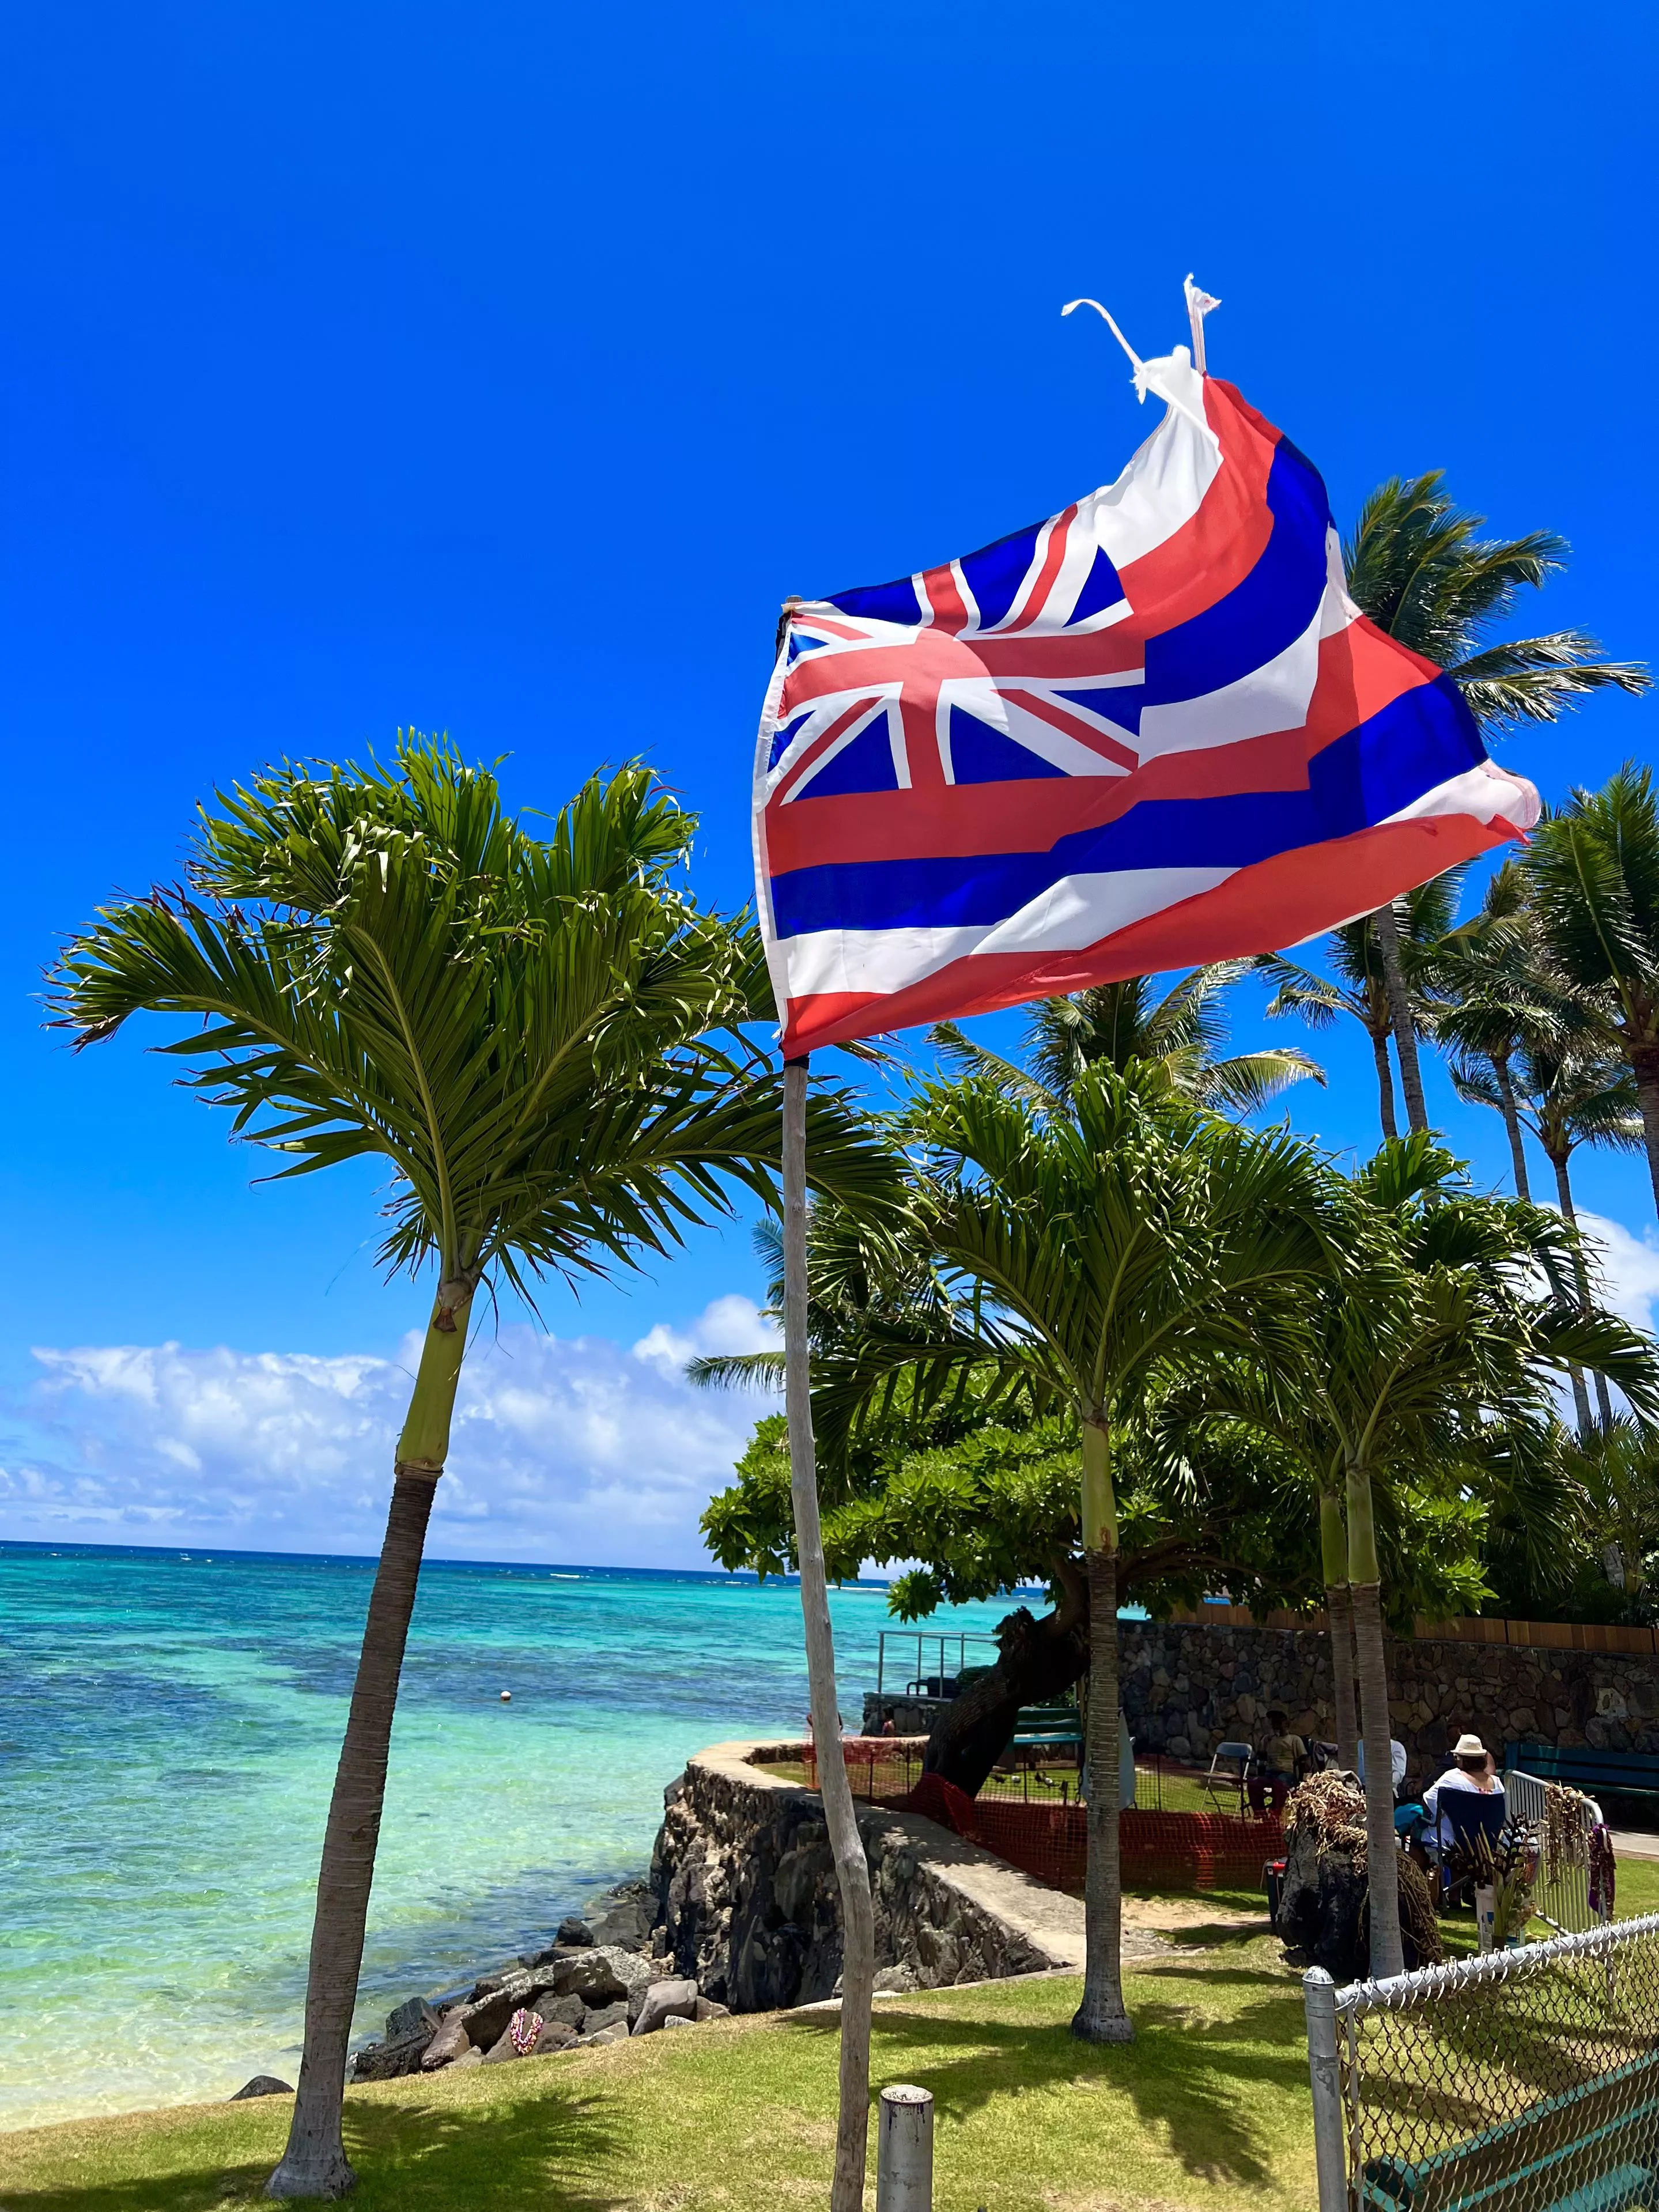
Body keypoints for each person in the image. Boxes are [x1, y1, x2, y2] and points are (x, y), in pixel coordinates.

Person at [1422, 1732, 1504, 1851]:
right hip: (1489, 1847)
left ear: (1461, 1758)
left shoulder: (1452, 1777)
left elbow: (1429, 1802)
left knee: (1418, 1832)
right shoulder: (1498, 1784)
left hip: (1456, 1844)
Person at [1249, 1708, 1306, 1813]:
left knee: (1279, 1783)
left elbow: (1304, 1760)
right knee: (1253, 1783)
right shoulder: (1268, 1739)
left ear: (1286, 1723)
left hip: (1287, 1774)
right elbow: (1260, 1757)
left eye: (1279, 1719)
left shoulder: (1294, 1739)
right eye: (1273, 1719)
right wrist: (1266, 1743)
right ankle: (1260, 1814)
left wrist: (1301, 1780)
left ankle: (1275, 1813)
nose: (1275, 1722)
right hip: (1270, 1773)